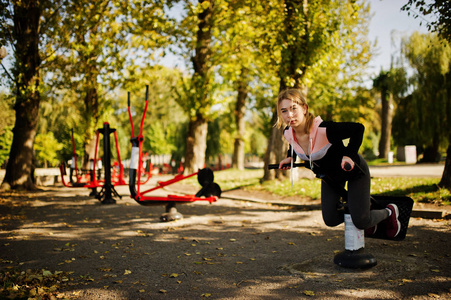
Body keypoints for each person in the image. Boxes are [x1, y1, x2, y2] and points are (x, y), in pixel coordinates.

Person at [276, 88, 400, 238]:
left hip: (354, 171)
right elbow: (294, 145)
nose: (289, 115)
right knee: (330, 219)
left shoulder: (324, 129)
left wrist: (348, 155)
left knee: (360, 221)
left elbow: (358, 129)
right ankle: (362, 211)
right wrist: (290, 158)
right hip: (331, 177)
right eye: (284, 111)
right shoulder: (288, 133)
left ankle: (389, 212)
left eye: (293, 108)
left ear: (304, 108)